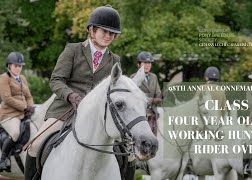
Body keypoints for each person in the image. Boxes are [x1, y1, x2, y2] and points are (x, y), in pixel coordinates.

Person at [23, 5, 136, 180]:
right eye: (104, 31)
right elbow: (56, 80)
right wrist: (71, 95)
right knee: (35, 145)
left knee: (129, 153)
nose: (108, 36)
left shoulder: (115, 60)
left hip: (98, 116)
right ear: (92, 30)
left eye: (112, 33)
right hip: (65, 110)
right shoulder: (73, 50)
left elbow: (114, 89)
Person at [0, 52, 35, 172]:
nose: (18, 68)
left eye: (20, 66)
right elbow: (6, 98)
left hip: (23, 114)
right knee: (15, 132)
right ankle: (3, 159)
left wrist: (30, 107)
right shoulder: (4, 78)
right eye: (16, 66)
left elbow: (29, 96)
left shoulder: (22, 78)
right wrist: (24, 107)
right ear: (9, 65)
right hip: (8, 114)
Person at [131, 51, 162, 136]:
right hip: (140, 116)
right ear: (138, 64)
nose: (147, 65)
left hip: (153, 115)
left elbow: (158, 95)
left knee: (153, 143)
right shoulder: (133, 78)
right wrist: (151, 100)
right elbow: (134, 98)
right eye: (145, 63)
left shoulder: (154, 77)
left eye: (149, 63)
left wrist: (159, 98)